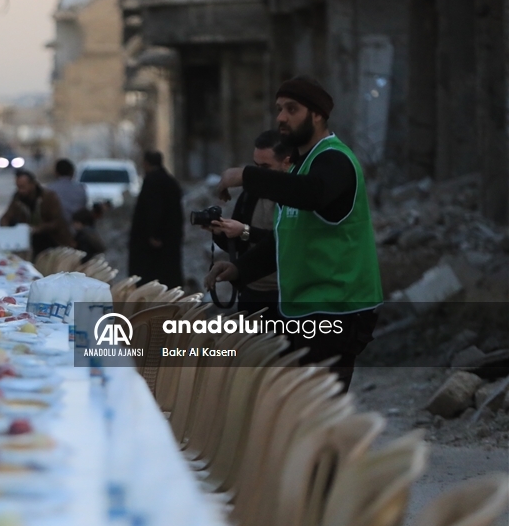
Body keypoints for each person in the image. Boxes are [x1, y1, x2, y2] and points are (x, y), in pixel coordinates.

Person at [206, 75, 383, 391]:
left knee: (313, 412)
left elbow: (312, 193)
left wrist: (247, 175)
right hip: (306, 308)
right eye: (279, 109)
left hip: (337, 308)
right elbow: (287, 239)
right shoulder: (303, 167)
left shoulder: (334, 159)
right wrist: (239, 269)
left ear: (317, 115)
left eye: (292, 109)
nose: (281, 117)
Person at [201, 130, 292, 320]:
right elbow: (239, 245)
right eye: (255, 167)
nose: (257, 174)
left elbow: (284, 241)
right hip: (252, 291)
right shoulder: (250, 194)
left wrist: (245, 231)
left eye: (265, 167)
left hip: (286, 295)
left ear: (287, 162)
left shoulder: (295, 199)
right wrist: (221, 232)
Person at [129, 151, 184, 288]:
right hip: (170, 238)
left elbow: (154, 209)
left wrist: (154, 233)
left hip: (153, 243)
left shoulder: (152, 181)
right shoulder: (170, 181)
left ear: (146, 163)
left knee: (151, 276)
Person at [0, 170, 74, 257]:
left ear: (32, 184)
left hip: (53, 239)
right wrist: (6, 228)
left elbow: (57, 222)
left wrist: (37, 229)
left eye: (23, 187)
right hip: (29, 239)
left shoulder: (49, 197)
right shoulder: (18, 198)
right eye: (18, 187)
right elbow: (7, 216)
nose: (20, 190)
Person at [46, 158, 88, 224]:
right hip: (77, 226)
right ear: (72, 172)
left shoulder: (50, 189)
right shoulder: (80, 189)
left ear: (56, 172)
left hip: (56, 227)